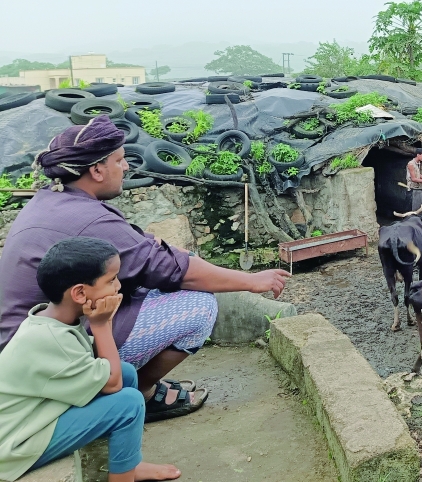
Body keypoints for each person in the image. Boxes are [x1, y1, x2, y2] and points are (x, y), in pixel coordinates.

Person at [0, 116, 291, 422]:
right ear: (97, 170)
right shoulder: (91, 219)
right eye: (119, 160)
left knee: (160, 278)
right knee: (199, 305)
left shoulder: (54, 201)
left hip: (29, 341)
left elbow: (146, 249)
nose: (125, 167)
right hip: (51, 355)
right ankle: (142, 392)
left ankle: (126, 383)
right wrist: (251, 281)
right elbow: (175, 270)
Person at [0, 237, 180, 482]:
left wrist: (100, 323)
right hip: (14, 446)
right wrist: (101, 324)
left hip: (34, 417)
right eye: (111, 280)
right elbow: (112, 385)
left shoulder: (51, 321)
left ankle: (129, 465)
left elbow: (109, 370)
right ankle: (123, 477)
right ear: (80, 293)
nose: (117, 287)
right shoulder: (48, 339)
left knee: (126, 372)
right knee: (128, 404)